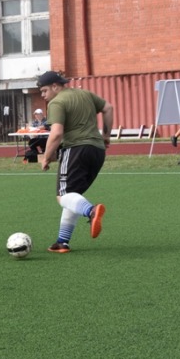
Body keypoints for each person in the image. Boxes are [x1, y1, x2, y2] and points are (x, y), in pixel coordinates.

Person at [37, 71, 113, 254]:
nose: (43, 95)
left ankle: (91, 211)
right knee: (72, 195)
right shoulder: (85, 94)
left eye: (44, 90)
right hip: (97, 150)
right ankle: (62, 242)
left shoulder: (56, 102)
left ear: (55, 86)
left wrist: (46, 157)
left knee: (63, 196)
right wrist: (106, 135)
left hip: (76, 149)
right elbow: (108, 108)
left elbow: (56, 133)